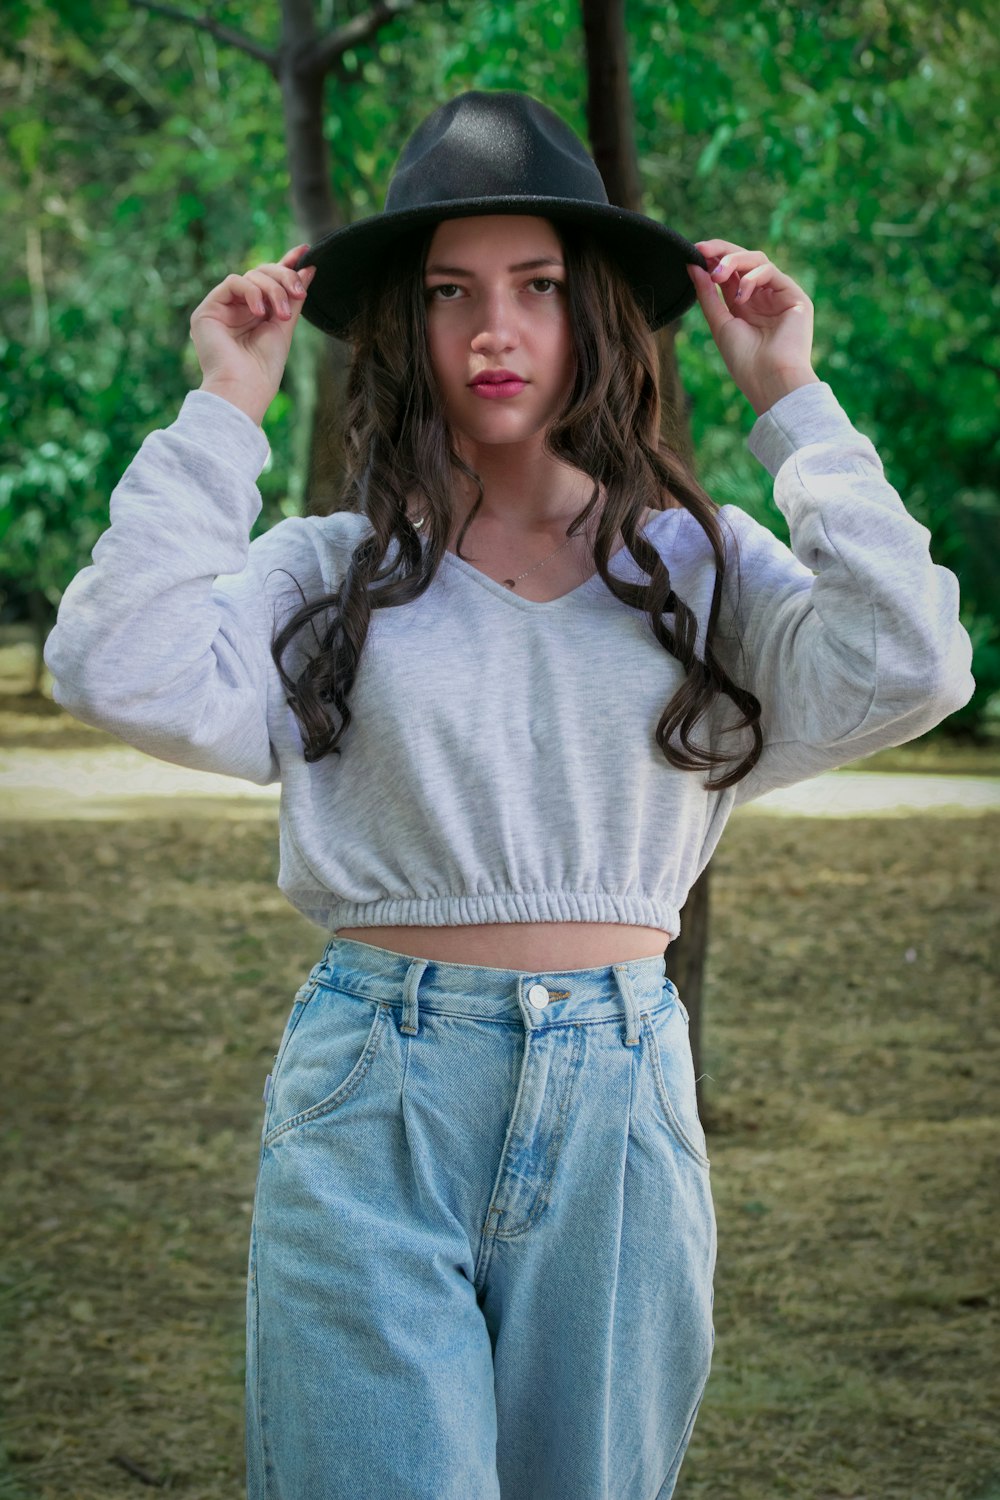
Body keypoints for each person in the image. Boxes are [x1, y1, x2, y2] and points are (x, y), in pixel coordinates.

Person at [44, 90, 974, 1500]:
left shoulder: (701, 571)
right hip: (376, 1099)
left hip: (621, 1102)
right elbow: (113, 662)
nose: (495, 328)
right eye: (450, 292)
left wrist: (793, 397)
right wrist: (224, 403)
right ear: (406, 329)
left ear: (593, 313)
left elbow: (917, 660)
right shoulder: (325, 568)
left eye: (537, 288)